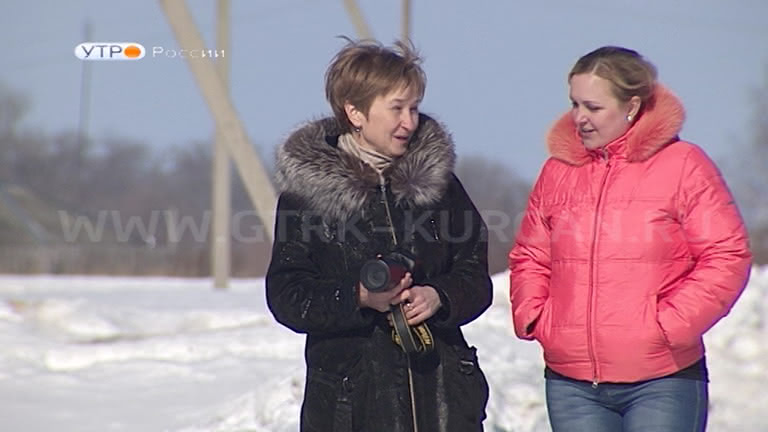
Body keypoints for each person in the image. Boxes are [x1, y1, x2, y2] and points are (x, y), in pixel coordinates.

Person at [508, 46, 752, 432]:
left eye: (593, 107)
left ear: (632, 106)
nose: (580, 118)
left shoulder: (684, 165)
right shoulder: (557, 171)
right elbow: (531, 256)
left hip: (662, 381)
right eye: (574, 104)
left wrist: (667, 327)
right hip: (572, 385)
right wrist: (537, 315)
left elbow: (727, 255)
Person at [266, 38, 492, 432]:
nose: (409, 122)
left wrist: (440, 296)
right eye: (397, 109)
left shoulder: (441, 187)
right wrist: (359, 298)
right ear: (355, 112)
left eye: (415, 107)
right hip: (351, 404)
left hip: (440, 399)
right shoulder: (306, 197)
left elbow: (476, 275)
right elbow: (288, 296)